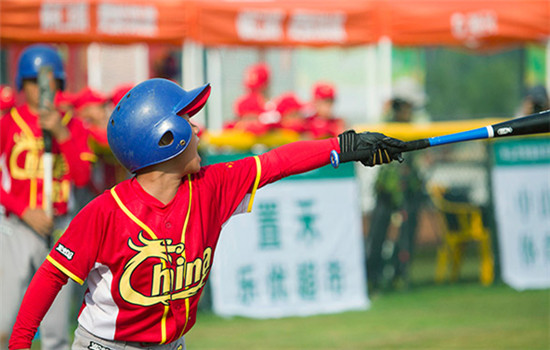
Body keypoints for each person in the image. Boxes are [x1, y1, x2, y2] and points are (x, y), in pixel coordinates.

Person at [9, 78, 407, 350]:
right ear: (164, 139)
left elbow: (276, 162)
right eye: (185, 120)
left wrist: (343, 146)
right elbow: (51, 275)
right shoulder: (105, 212)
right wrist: (20, 344)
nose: (196, 127)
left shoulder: (210, 187)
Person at [0, 44, 92, 350]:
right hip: (17, 226)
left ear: (60, 85)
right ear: (23, 85)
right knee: (3, 320)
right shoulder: (9, 122)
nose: (41, 90)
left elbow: (82, 176)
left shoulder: (73, 125)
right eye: (34, 83)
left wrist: (62, 136)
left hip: (60, 228)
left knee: (56, 330)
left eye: (49, 83)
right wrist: (23, 209)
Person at [366, 78, 427, 292]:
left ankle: (399, 273)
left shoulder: (416, 125)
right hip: (386, 188)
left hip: (409, 187)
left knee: (407, 233)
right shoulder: (385, 122)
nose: (409, 110)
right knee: (377, 233)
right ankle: (372, 275)